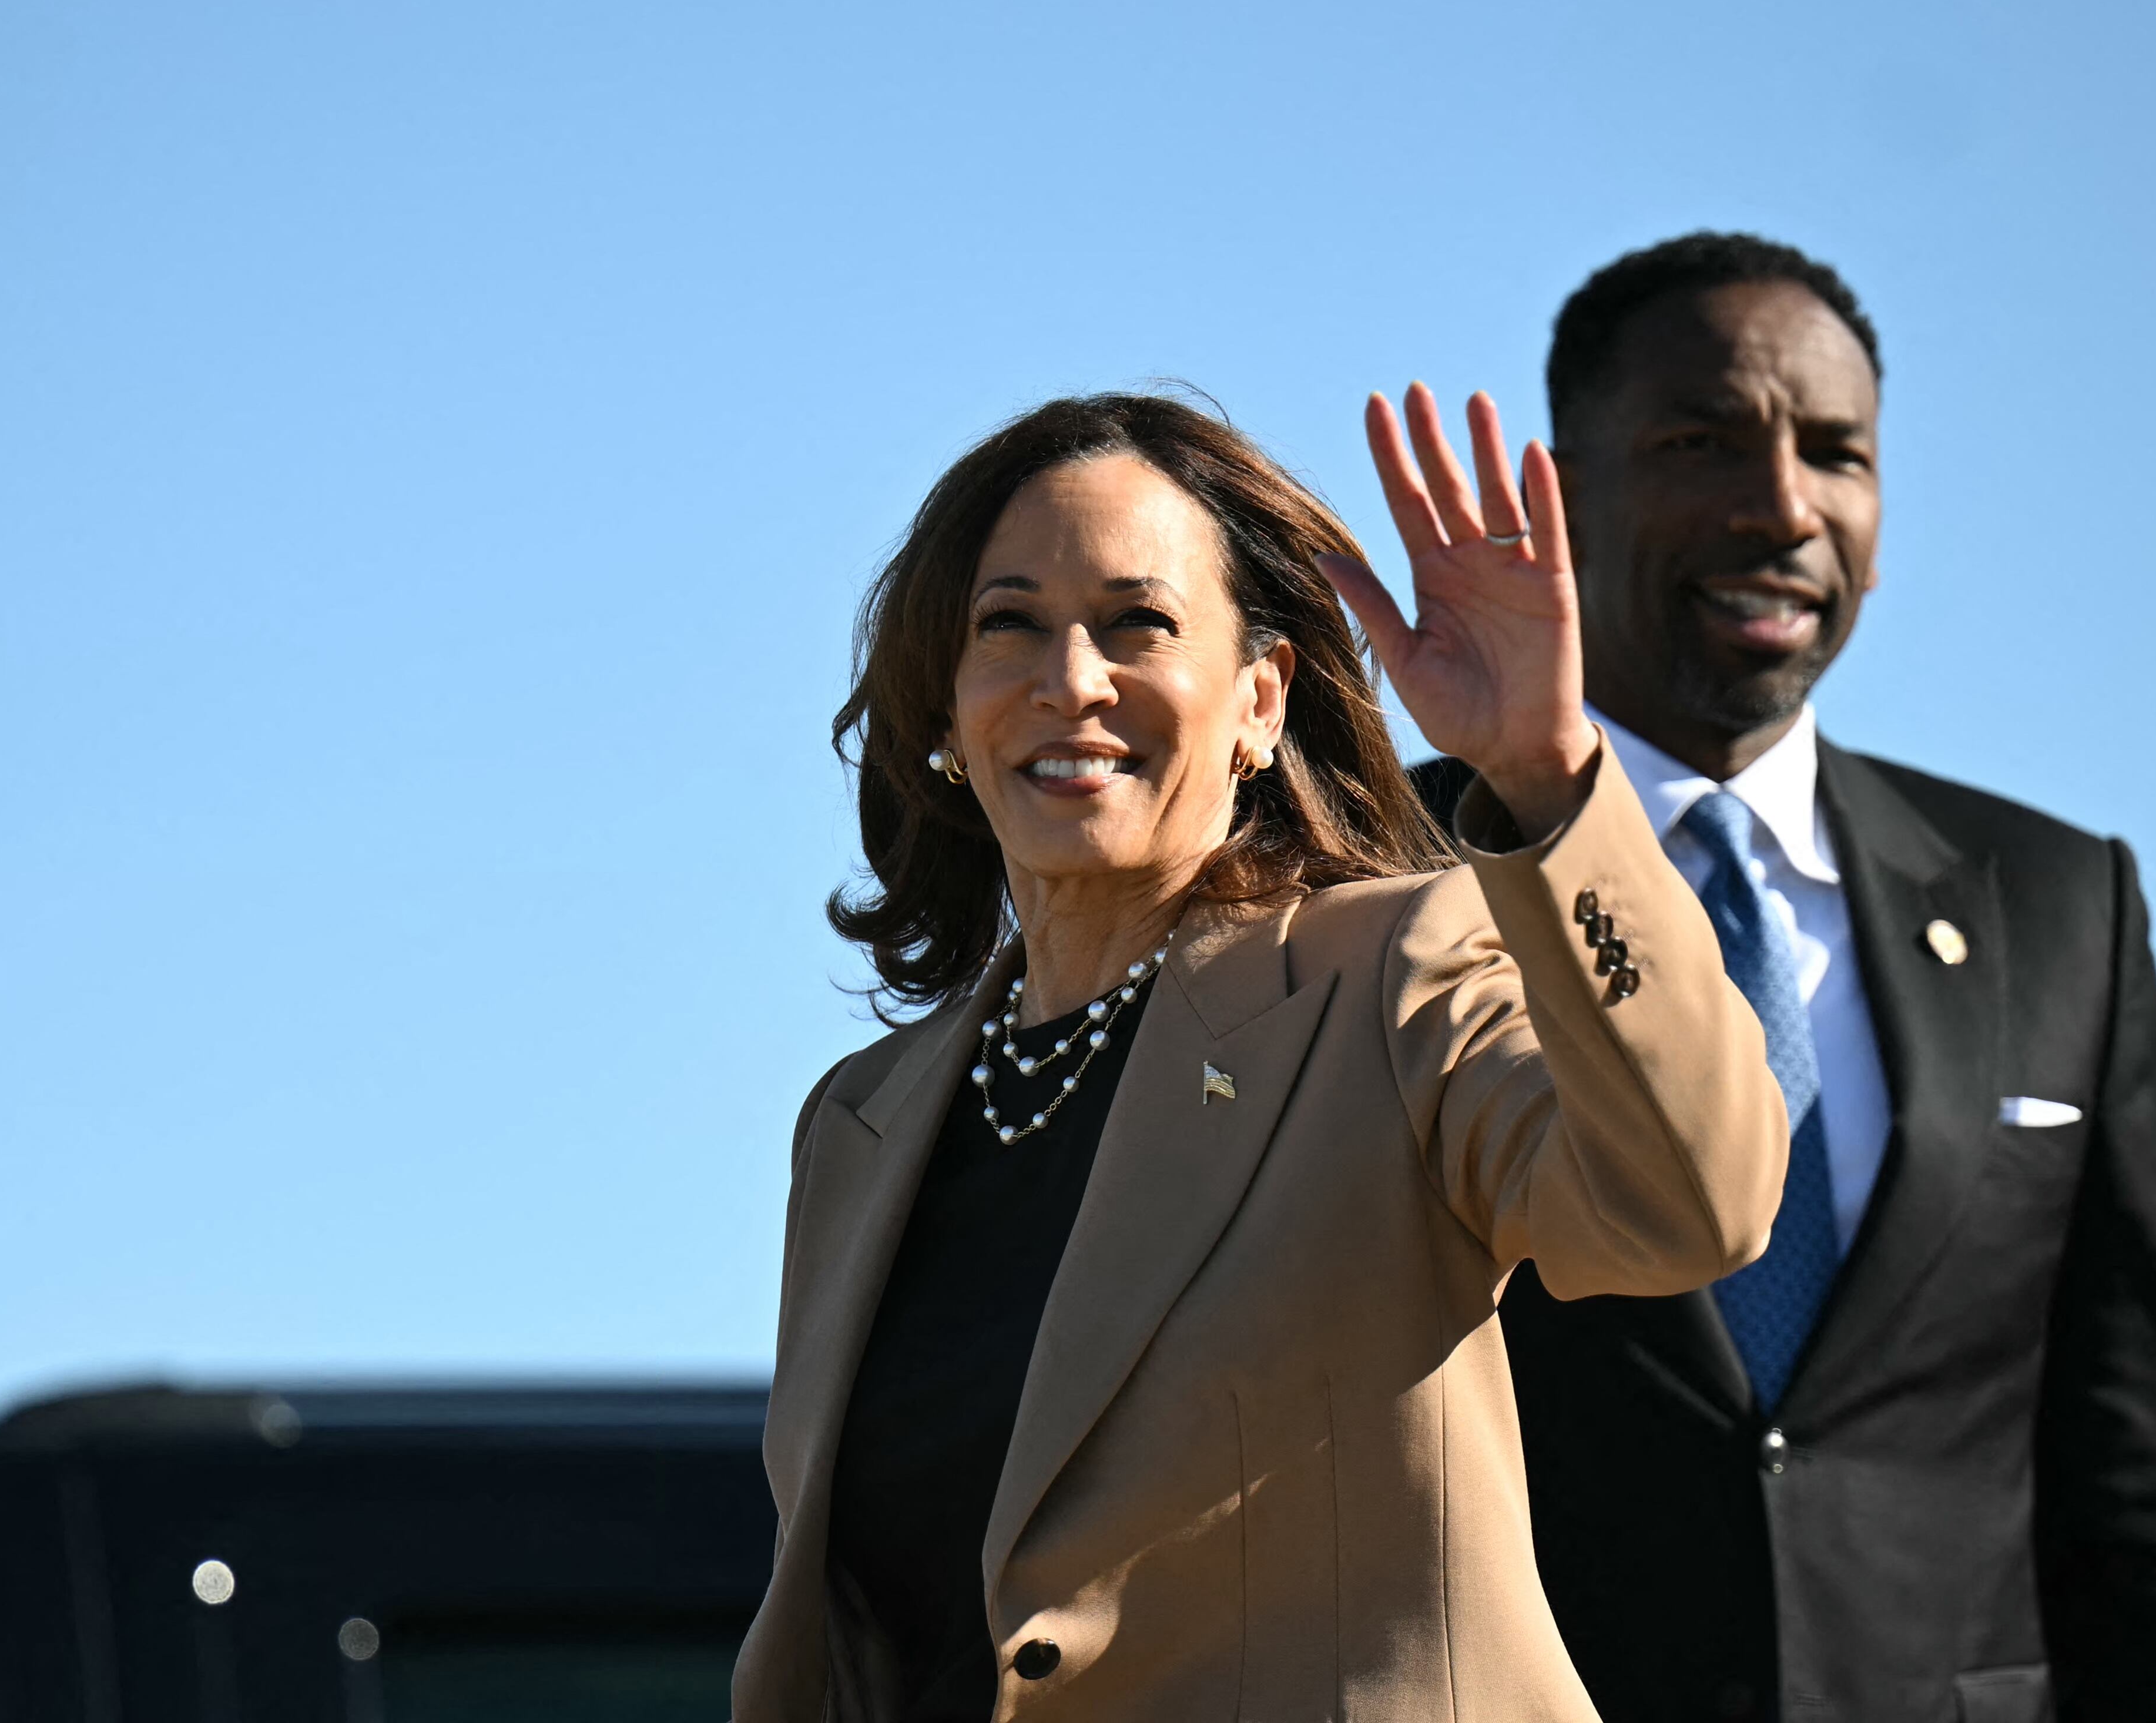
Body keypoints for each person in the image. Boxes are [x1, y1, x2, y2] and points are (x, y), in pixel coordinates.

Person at [729, 388, 1791, 1722]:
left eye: (1139, 623)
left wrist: (1548, 774)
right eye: (1009, 625)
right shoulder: (860, 1119)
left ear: (1259, 701)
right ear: (945, 710)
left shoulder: (1392, 974)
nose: (1072, 681)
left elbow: (1688, 1203)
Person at [1411, 233, 2156, 1721]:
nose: (1782, 507)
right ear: (1561, 493)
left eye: (1836, 453)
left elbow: (2147, 1485)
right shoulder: (1370, 886)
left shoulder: (2056, 906)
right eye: (1700, 443)